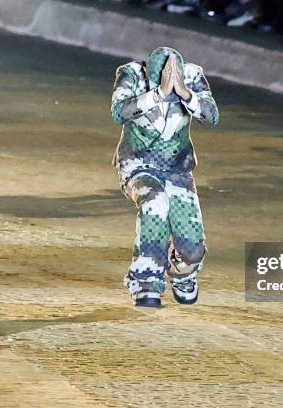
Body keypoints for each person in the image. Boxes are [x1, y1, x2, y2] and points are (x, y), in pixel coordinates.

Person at [110, 47, 220, 307]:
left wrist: (184, 93)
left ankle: (183, 274)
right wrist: (157, 94)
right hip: (138, 164)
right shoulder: (131, 74)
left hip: (177, 168)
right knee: (155, 202)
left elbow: (211, 115)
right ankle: (146, 281)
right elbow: (119, 112)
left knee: (192, 248)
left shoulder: (192, 75)